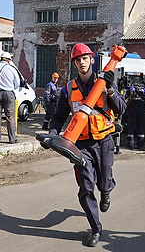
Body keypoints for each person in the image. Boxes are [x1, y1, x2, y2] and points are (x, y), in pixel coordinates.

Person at [48, 43, 126, 247]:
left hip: (104, 140)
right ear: (74, 63)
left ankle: (107, 190)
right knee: (86, 187)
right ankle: (95, 229)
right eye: (78, 59)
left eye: (85, 58)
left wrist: (110, 90)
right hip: (80, 145)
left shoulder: (105, 81)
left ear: (92, 60)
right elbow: (58, 116)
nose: (82, 62)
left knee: (103, 180)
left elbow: (121, 108)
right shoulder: (67, 89)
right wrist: (52, 134)